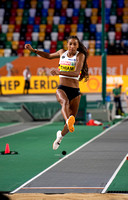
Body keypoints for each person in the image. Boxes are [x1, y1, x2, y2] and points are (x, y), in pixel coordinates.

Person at [25, 36, 89, 150]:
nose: (72, 46)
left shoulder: (80, 56)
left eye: (75, 44)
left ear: (78, 46)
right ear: (67, 45)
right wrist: (34, 50)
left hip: (75, 91)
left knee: (69, 127)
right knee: (64, 103)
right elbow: (49, 56)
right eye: (70, 44)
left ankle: (60, 137)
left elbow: (76, 73)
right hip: (62, 88)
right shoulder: (61, 53)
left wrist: (60, 71)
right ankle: (68, 120)